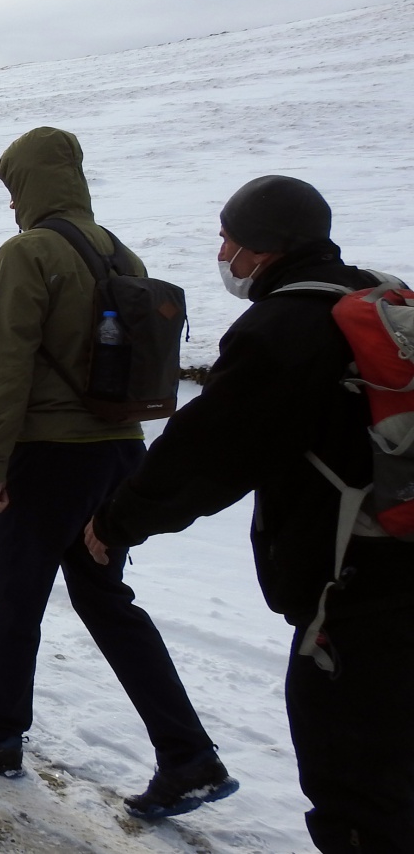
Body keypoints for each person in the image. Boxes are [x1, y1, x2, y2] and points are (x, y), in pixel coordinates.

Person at [87, 176, 414, 846]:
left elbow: (207, 453)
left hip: (354, 595)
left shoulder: (283, 328)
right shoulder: (373, 296)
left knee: (356, 794)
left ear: (263, 246)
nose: (222, 250)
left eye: (228, 237)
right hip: (396, 566)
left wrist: (116, 522)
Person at [0, 127, 232, 818]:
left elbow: (10, 365)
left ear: (31, 184)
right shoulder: (121, 250)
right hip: (119, 452)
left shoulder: (29, 251)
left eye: (13, 189)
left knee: (16, 599)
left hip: (48, 455)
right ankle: (189, 754)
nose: (10, 206)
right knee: (106, 600)